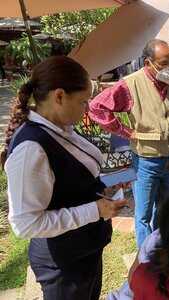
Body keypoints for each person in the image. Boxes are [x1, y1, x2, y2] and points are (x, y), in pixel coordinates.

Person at [2, 56, 128, 300]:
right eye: (83, 102)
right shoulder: (31, 150)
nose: (87, 109)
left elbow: (73, 177)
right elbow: (26, 223)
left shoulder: (61, 127)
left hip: (85, 250)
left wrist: (108, 183)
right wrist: (95, 211)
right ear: (59, 96)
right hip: (63, 265)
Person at [89, 39, 169, 248]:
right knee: (143, 214)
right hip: (146, 161)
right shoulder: (130, 84)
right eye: (163, 64)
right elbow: (97, 108)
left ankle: (163, 248)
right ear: (147, 63)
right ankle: (146, 259)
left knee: (166, 208)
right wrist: (124, 131)